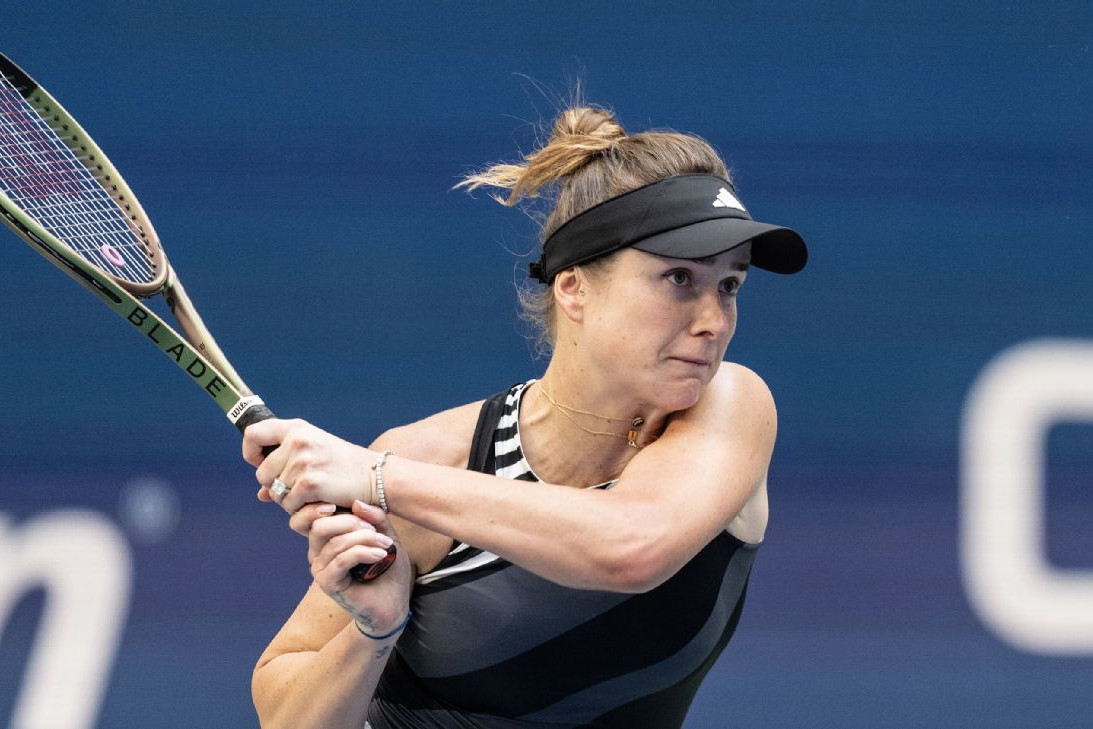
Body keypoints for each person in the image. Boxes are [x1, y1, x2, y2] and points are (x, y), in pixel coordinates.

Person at [242, 104, 808, 729]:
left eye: (729, 286)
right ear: (574, 288)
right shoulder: (434, 458)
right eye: (679, 278)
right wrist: (373, 632)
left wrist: (376, 476)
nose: (713, 321)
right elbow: (285, 719)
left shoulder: (730, 405)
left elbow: (631, 546)